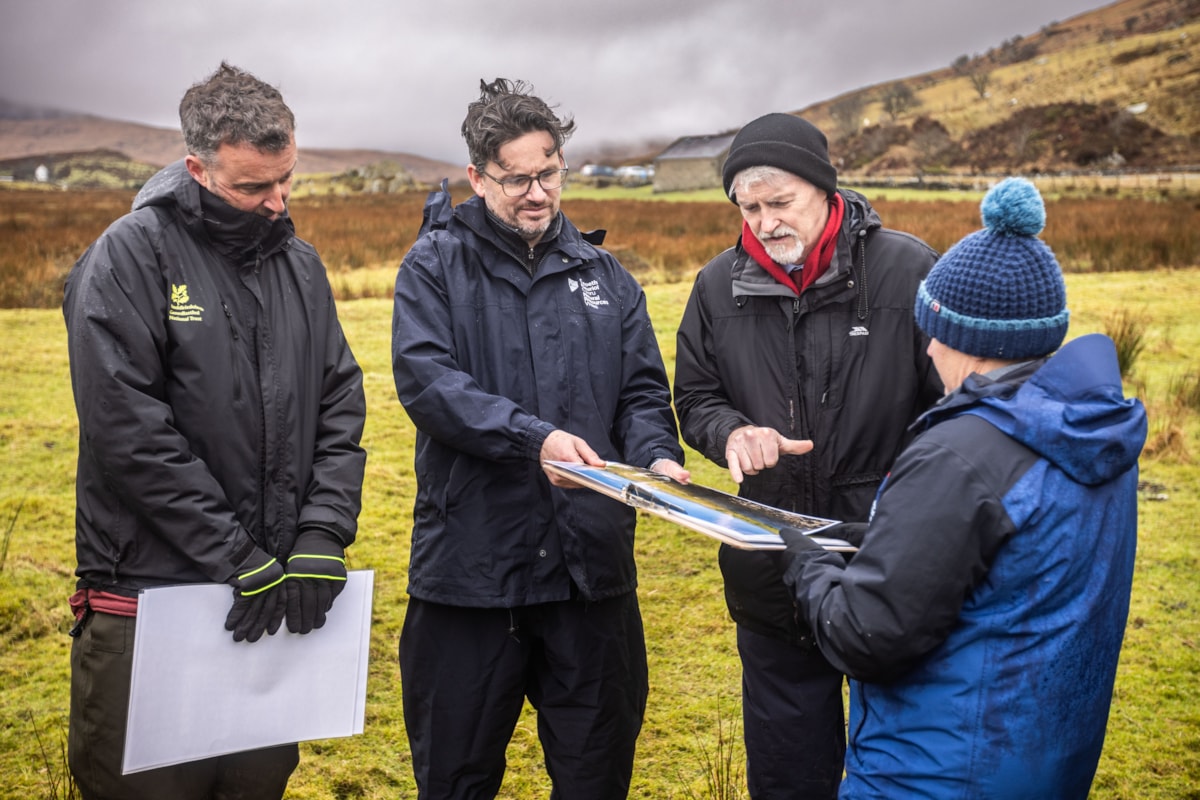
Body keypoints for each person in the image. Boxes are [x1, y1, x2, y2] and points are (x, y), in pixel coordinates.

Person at [777, 177, 1147, 798]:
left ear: (966, 341)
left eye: (933, 332)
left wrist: (808, 564)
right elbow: (1011, 555)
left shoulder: (958, 454)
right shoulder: (1091, 434)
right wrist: (874, 539)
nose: (926, 348)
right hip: (1040, 758)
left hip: (932, 771)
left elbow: (866, 635)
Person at [62, 62, 367, 800]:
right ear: (196, 167)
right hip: (150, 602)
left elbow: (339, 400)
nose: (277, 202)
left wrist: (322, 534)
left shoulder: (300, 265)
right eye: (252, 187)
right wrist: (233, 553)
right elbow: (126, 429)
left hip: (271, 602)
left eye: (287, 179)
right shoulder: (128, 257)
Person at [391, 77, 688, 799]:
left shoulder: (605, 275)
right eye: (516, 178)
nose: (536, 192)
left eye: (548, 173)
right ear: (476, 177)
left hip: (591, 575)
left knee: (596, 776)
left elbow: (643, 390)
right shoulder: (433, 266)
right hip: (471, 575)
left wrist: (655, 453)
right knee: (455, 779)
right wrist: (535, 440)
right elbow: (430, 386)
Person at [673, 112, 944, 799]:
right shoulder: (715, 287)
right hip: (772, 565)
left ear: (826, 191)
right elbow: (696, 395)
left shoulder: (909, 270)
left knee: (908, 767)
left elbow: (952, 406)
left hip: (892, 561)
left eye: (780, 202)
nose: (764, 222)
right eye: (749, 207)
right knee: (789, 774)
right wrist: (731, 433)